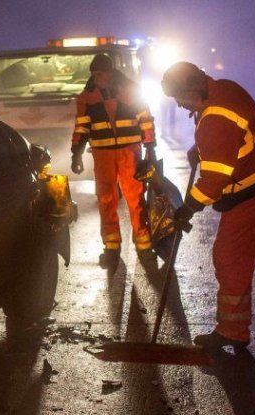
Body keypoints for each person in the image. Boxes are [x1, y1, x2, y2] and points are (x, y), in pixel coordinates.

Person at [161, 61, 255, 349]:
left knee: (229, 257)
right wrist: (199, 151)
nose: (178, 105)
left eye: (179, 98)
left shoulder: (214, 119)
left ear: (192, 89)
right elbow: (232, 138)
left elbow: (213, 183)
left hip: (250, 191)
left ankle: (233, 329)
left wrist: (187, 208)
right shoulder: (225, 88)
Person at [71, 54, 158, 267]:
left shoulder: (130, 90)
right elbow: (82, 126)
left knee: (135, 198)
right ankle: (111, 246)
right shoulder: (86, 97)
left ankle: (143, 245)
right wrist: (76, 152)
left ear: (110, 73)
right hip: (103, 154)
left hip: (129, 151)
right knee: (105, 199)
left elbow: (145, 118)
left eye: (99, 73)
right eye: (94, 74)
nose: (96, 77)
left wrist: (150, 146)